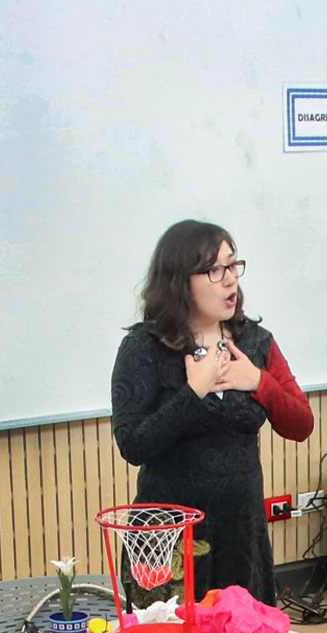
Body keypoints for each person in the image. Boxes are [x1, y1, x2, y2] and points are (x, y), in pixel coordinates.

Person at [109, 220, 314, 605]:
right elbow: (134, 444)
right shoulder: (143, 348)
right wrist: (194, 390)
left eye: (233, 266)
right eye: (215, 271)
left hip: (241, 533)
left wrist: (258, 382)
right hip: (168, 537)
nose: (230, 281)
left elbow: (301, 424)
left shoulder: (255, 342)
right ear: (179, 281)